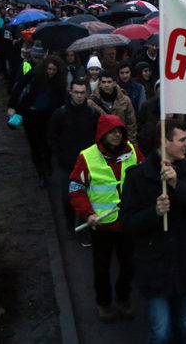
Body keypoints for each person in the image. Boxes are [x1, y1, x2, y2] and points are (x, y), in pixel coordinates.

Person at [120, 119, 186, 343]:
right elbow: (127, 223)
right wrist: (155, 213)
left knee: (182, 325)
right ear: (165, 142)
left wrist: (176, 185)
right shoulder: (136, 177)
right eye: (182, 139)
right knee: (160, 331)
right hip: (155, 267)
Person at [70, 114, 143, 322]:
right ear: (102, 134)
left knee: (129, 266)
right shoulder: (87, 157)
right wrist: (88, 214)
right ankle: (104, 303)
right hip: (101, 226)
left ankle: (123, 298)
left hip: (128, 223)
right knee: (101, 269)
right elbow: (76, 189)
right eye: (112, 131)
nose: (117, 135)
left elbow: (146, 175)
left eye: (120, 131)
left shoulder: (133, 152)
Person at [49, 78, 101, 238]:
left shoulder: (93, 114)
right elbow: (52, 137)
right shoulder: (60, 114)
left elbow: (99, 137)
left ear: (86, 93)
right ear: (70, 92)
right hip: (68, 165)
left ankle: (84, 226)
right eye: (76, 92)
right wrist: (60, 155)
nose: (79, 96)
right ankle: (70, 225)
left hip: (88, 164)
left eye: (82, 93)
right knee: (67, 197)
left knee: (87, 197)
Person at [8, 55, 68, 188]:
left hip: (48, 116)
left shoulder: (59, 83)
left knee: (47, 145)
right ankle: (41, 172)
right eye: (49, 69)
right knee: (35, 144)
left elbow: (61, 100)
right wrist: (12, 106)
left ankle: (47, 167)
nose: (51, 72)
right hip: (31, 114)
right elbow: (18, 88)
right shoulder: (34, 75)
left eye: (54, 70)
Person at [87, 71, 138, 145]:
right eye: (103, 82)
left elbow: (131, 124)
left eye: (109, 82)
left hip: (121, 141)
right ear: (100, 84)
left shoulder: (125, 101)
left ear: (114, 83)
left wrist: (131, 143)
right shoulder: (91, 103)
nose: (106, 85)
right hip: (101, 143)